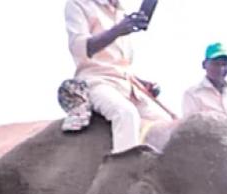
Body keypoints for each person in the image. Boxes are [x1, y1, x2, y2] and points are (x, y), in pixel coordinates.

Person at [64, 0, 171, 153]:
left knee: (165, 122)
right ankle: (123, 172)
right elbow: (80, 48)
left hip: (127, 84)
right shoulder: (79, 4)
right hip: (96, 81)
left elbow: (117, 63)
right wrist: (118, 30)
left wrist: (142, 82)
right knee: (125, 114)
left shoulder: (120, 11)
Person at [181, 42, 227, 122]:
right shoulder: (192, 94)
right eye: (216, 64)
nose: (221, 69)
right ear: (204, 65)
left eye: (225, 64)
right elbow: (190, 128)